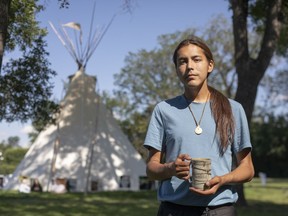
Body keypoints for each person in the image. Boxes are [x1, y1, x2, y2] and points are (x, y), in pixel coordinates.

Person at [144, 36, 254, 216]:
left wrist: (223, 179)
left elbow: (248, 169)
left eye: (196, 59)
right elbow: (151, 168)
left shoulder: (233, 109)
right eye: (182, 61)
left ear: (210, 65)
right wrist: (170, 168)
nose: (190, 67)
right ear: (177, 69)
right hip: (173, 210)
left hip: (220, 210)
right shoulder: (163, 110)